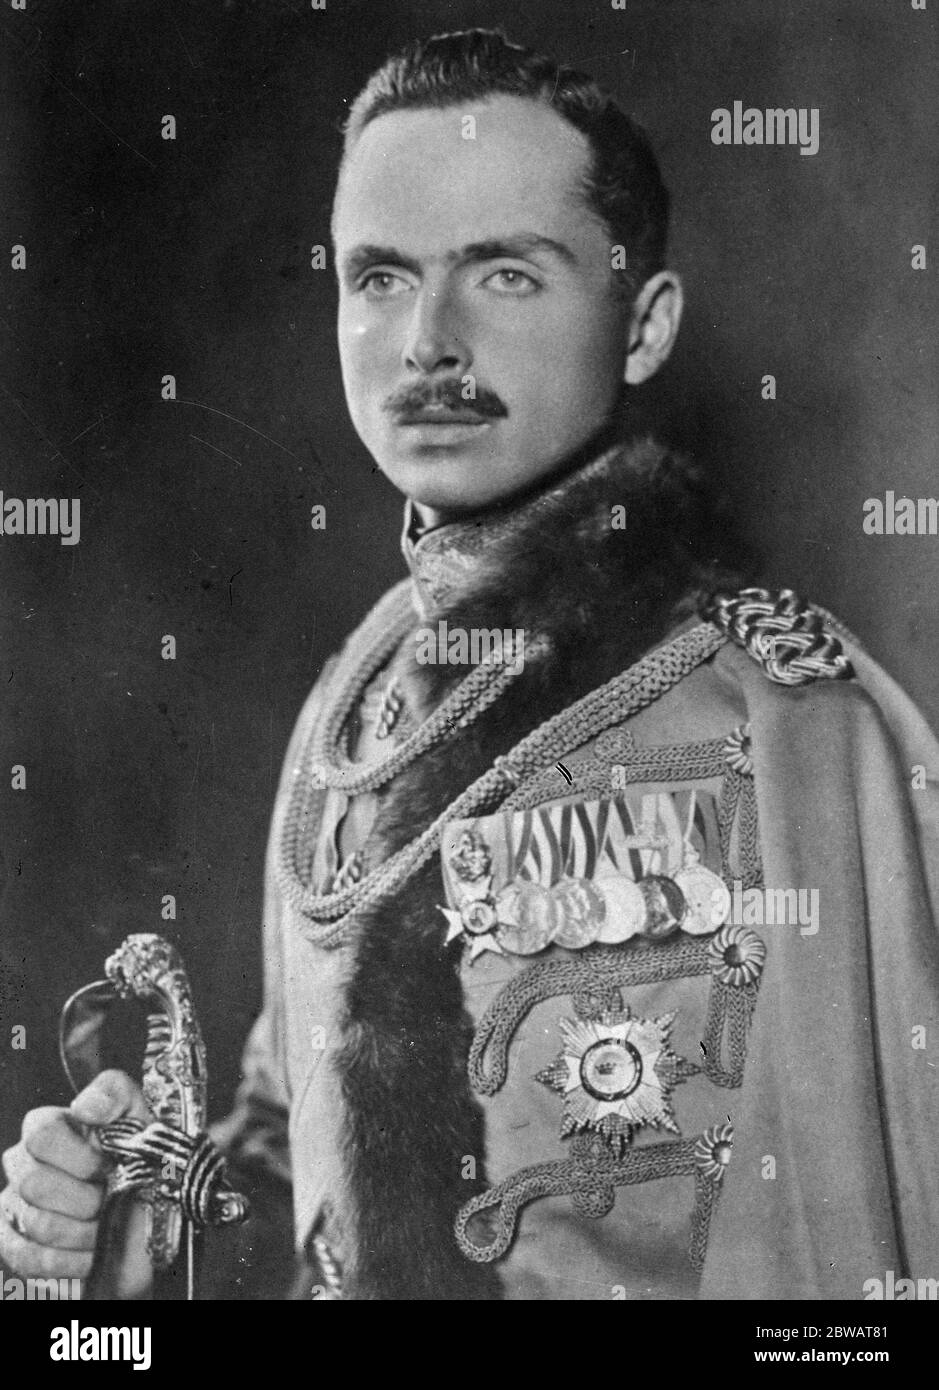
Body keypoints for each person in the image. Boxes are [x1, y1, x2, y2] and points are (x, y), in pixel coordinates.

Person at [2, 28, 938, 1302]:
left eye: (502, 273)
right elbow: (301, 1183)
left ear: (645, 324)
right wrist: (131, 1211)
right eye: (380, 277)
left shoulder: (789, 712)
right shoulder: (354, 706)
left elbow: (865, 1235)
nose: (426, 342)